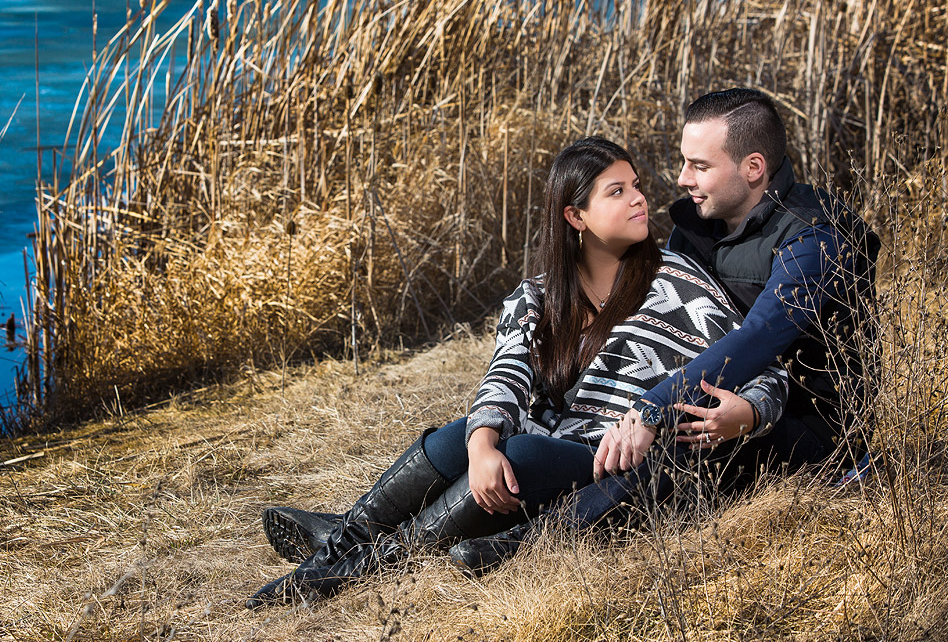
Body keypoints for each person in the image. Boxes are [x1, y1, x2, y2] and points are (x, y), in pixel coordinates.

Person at [245, 137, 785, 608]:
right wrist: (482, 445)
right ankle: (345, 543)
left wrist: (752, 410)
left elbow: (755, 364)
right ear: (575, 217)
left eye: (636, 186)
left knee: (519, 453)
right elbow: (504, 377)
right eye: (616, 192)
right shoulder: (536, 297)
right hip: (551, 441)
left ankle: (368, 560)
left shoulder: (679, 282)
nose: (640, 198)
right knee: (464, 436)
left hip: (613, 458)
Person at [448, 88, 880, 576]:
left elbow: (759, 337)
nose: (682, 179)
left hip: (810, 420)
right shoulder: (695, 228)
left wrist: (655, 409)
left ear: (753, 168)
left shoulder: (814, 236)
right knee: (649, 433)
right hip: (715, 390)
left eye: (699, 165)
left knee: (679, 443)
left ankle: (531, 542)